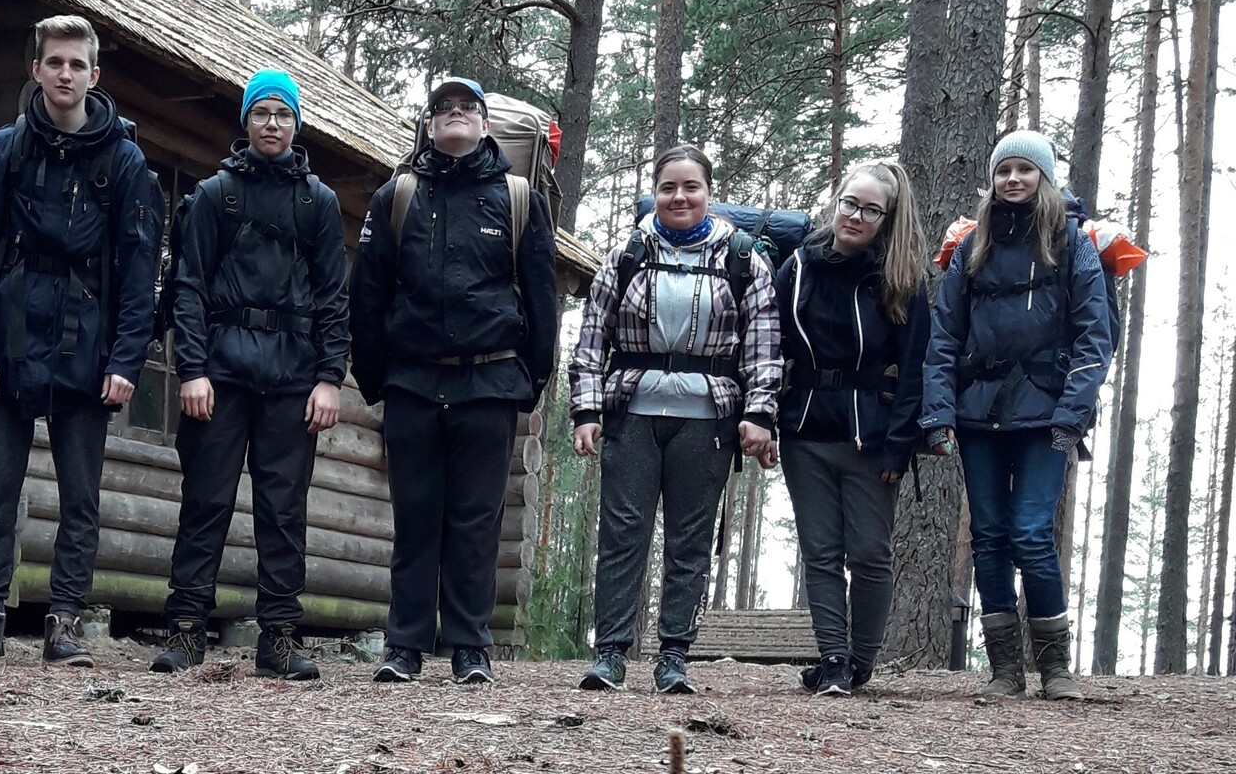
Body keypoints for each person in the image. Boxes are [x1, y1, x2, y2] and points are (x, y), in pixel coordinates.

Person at [0, 16, 162, 666]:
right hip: (9, 338)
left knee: (80, 496)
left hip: (88, 347)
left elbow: (140, 274)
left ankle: (64, 622)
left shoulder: (124, 161)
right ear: (36, 70)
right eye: (54, 62)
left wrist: (127, 360)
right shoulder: (5, 150)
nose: (64, 74)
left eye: (76, 64)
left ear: (94, 75)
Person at [349, 77, 559, 687]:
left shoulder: (519, 200)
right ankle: (405, 646)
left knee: (476, 521)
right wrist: (377, 379)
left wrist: (529, 378)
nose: (455, 114)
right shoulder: (397, 195)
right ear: (429, 124)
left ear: (486, 125)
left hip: (490, 384)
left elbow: (542, 297)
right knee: (415, 518)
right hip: (412, 383)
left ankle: (470, 647)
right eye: (444, 108)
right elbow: (367, 293)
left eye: (468, 107)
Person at [151, 70, 349, 681]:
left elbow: (334, 297)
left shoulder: (318, 203)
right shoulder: (216, 195)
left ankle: (280, 638)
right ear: (246, 121)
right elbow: (187, 287)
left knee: (284, 510)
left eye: (283, 114)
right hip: (220, 375)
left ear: (297, 124)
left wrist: (330, 378)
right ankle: (186, 630)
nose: (272, 124)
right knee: (205, 501)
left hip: (294, 379)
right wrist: (192, 370)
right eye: (261, 112)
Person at [568, 143, 781, 696]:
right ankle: (610, 653)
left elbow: (763, 347)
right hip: (631, 412)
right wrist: (586, 410)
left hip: (707, 419)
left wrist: (759, 414)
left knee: (690, 539)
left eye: (691, 187)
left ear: (709, 193)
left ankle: (673, 657)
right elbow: (591, 341)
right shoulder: (626, 255)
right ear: (655, 193)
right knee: (622, 535)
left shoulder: (743, 260)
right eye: (668, 187)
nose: (679, 197)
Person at [922, 131, 1112, 701]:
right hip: (977, 415)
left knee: (1030, 533)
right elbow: (943, 338)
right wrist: (939, 415)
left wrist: (1073, 415)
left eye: (1025, 170)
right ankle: (1005, 670)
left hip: (1047, 417)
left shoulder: (1073, 242)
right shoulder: (971, 246)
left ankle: (1056, 670)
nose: (1013, 179)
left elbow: (1094, 336)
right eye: (1003, 170)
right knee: (988, 536)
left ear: (1044, 177)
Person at [774, 160, 932, 696]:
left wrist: (900, 445)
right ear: (836, 201)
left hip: (872, 438)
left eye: (870, 210)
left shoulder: (900, 279)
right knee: (819, 552)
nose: (856, 216)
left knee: (869, 553)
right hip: (804, 431)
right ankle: (834, 660)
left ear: (886, 218)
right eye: (850, 203)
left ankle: (860, 662)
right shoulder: (798, 266)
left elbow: (916, 369)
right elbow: (768, 345)